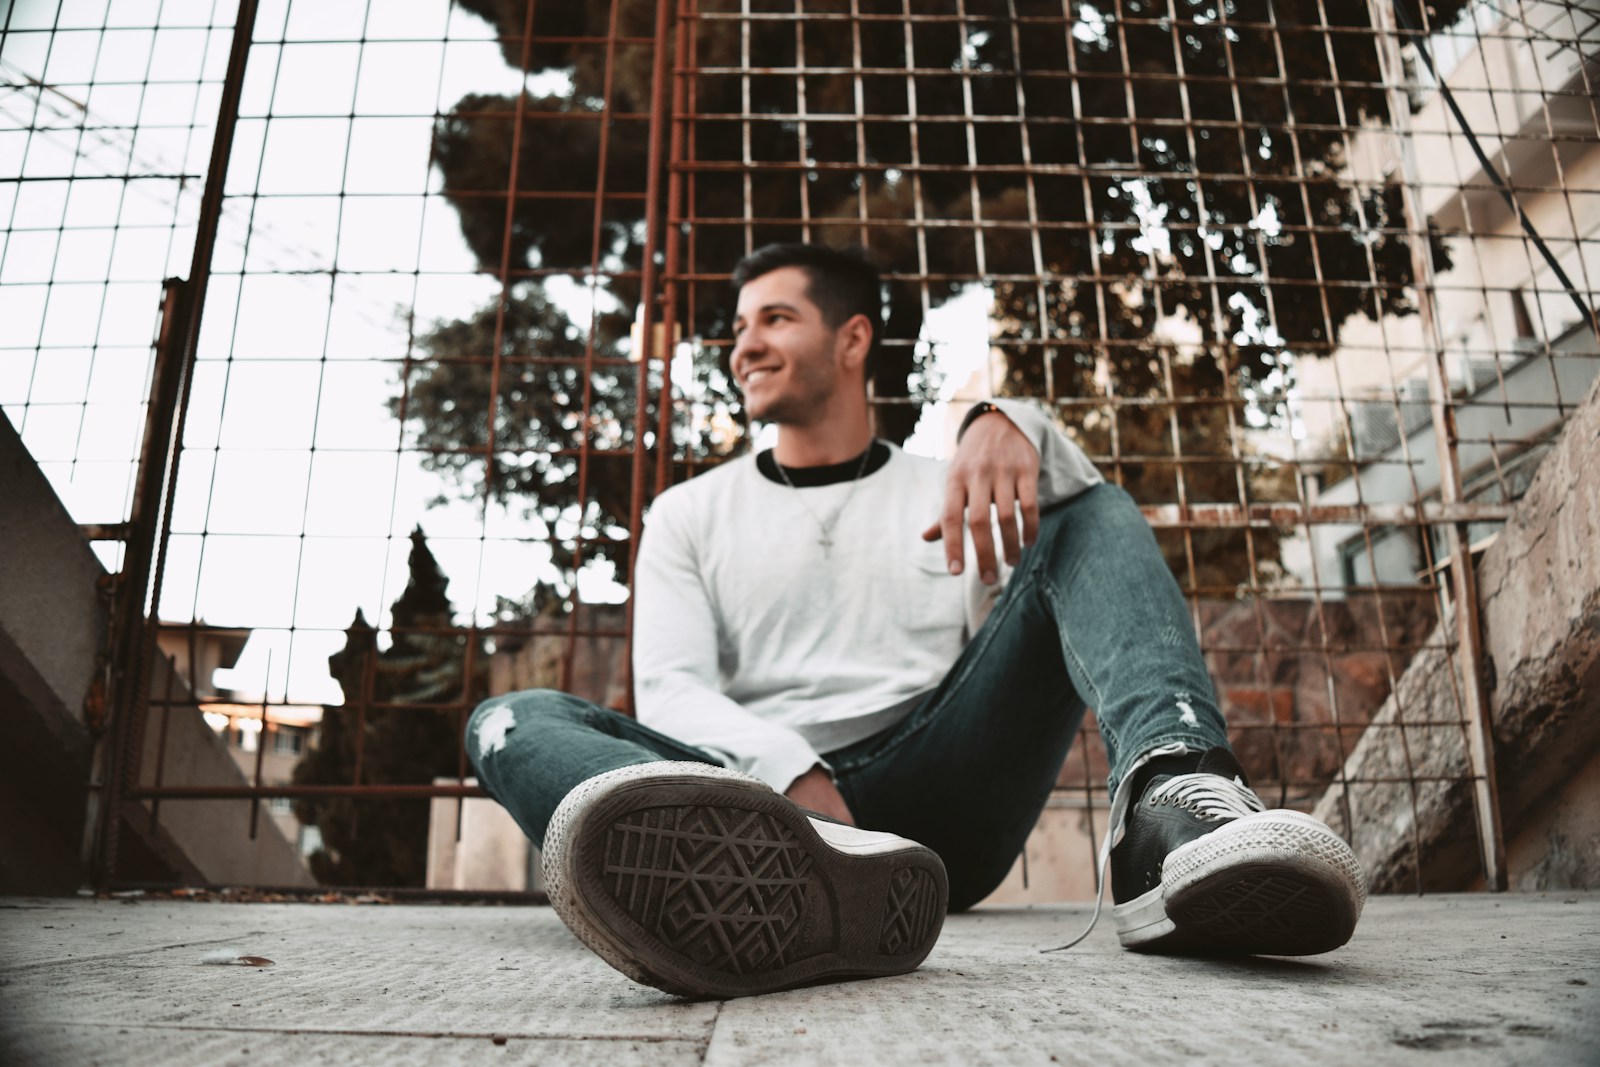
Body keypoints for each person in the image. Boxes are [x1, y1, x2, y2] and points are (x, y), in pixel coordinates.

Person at [466, 243, 1366, 999]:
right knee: (512, 719)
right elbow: (671, 688)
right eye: (739, 328)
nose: (744, 347)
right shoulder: (688, 513)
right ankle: (777, 890)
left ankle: (1174, 809)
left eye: (775, 319)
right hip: (756, 802)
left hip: (938, 798)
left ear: (853, 339)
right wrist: (787, 768)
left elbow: (1076, 531)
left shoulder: (946, 486)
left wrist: (1009, 420)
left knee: (1089, 511)